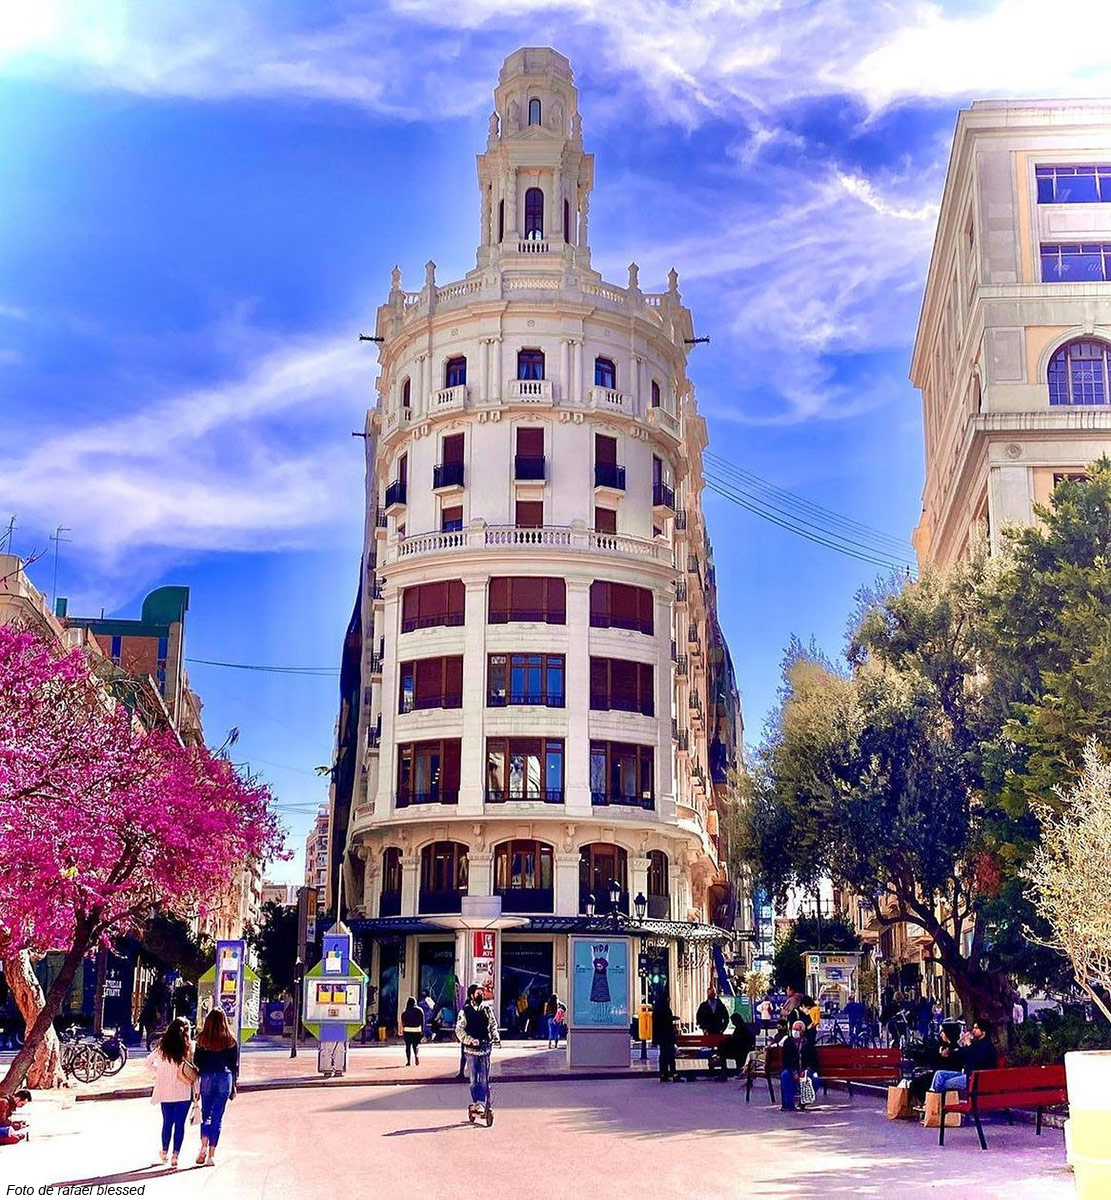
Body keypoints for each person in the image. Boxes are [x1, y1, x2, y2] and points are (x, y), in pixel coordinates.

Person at [146, 1017, 194, 1168]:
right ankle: (175, 1156)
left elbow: (148, 1062)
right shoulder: (189, 1047)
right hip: (184, 1091)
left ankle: (164, 1151)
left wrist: (159, 1071)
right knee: (180, 1124)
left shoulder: (162, 1048)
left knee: (167, 1123)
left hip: (165, 1091)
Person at [194, 1008, 239, 1167]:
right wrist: (234, 1085)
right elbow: (234, 1065)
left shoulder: (202, 1039)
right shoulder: (230, 1040)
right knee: (217, 1117)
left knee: (206, 1114)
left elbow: (197, 1062)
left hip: (207, 1076)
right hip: (224, 1077)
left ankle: (203, 1148)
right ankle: (211, 1155)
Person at [456, 984, 500, 1117]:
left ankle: (485, 1103)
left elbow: (493, 1025)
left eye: (482, 992)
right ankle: (476, 1103)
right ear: (471, 995)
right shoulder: (465, 1011)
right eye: (478, 993)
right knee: (474, 1080)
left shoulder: (487, 1009)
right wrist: (469, 1040)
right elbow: (459, 1030)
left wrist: (495, 1037)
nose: (481, 995)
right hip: (471, 1051)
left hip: (485, 1048)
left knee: (485, 1079)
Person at [930, 1019, 997, 1094]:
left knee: (945, 1083)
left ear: (983, 1032)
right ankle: (932, 1096)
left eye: (976, 1028)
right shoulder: (976, 1043)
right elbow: (963, 1054)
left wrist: (969, 1044)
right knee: (939, 1074)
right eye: (973, 1028)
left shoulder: (987, 1046)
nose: (973, 1030)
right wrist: (950, 1053)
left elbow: (976, 1061)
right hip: (967, 1074)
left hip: (976, 1079)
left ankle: (937, 1099)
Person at [780, 1019, 820, 1112]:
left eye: (797, 1029)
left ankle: (803, 1102)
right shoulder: (788, 1042)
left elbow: (813, 1060)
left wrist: (806, 1071)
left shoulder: (808, 1043)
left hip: (805, 1070)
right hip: (792, 1069)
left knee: (815, 1079)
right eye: (794, 1029)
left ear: (802, 1031)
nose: (795, 1031)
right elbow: (786, 1060)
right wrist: (794, 1072)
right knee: (785, 1075)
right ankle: (789, 1105)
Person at [718, 1012, 755, 1079]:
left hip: (739, 1050)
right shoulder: (744, 1027)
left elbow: (736, 1040)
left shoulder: (740, 1028)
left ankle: (724, 1072)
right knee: (723, 1049)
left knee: (722, 1052)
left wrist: (727, 1041)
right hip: (742, 1049)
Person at [652, 991, 677, 1082]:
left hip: (660, 1036)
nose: (669, 1000)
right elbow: (668, 1023)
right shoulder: (666, 1009)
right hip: (667, 1036)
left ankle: (663, 1074)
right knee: (670, 1054)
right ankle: (673, 1073)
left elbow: (655, 1025)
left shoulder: (656, 1010)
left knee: (663, 1055)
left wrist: (655, 1038)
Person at [401, 996, 426, 1066]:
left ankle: (408, 1061)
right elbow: (422, 1021)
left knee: (408, 1046)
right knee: (416, 1045)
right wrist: (422, 1030)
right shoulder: (419, 1010)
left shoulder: (405, 1011)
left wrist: (403, 1028)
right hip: (417, 1029)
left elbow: (403, 1021)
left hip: (407, 1030)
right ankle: (416, 1055)